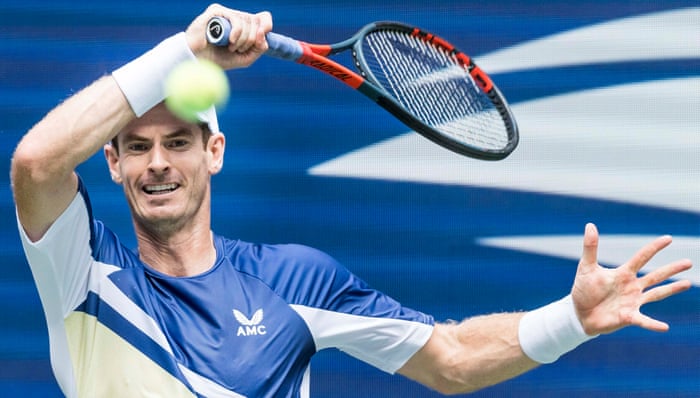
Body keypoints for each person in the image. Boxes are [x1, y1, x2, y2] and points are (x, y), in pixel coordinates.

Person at [10, 4, 693, 398]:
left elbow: (449, 358)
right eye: (136, 146)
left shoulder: (293, 280)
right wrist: (185, 49)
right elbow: (36, 163)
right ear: (113, 162)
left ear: (214, 154)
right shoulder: (83, 277)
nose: (158, 162)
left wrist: (570, 319)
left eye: (179, 142)